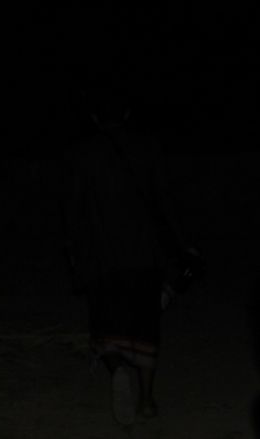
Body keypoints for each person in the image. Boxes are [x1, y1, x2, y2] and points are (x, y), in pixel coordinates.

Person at [63, 88, 195, 425]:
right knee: (146, 324)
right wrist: (183, 245)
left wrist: (75, 252)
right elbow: (165, 203)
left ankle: (117, 368)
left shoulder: (84, 153)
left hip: (102, 256)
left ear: (94, 117)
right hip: (145, 254)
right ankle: (147, 399)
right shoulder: (148, 148)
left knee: (107, 322)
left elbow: (74, 210)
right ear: (127, 114)